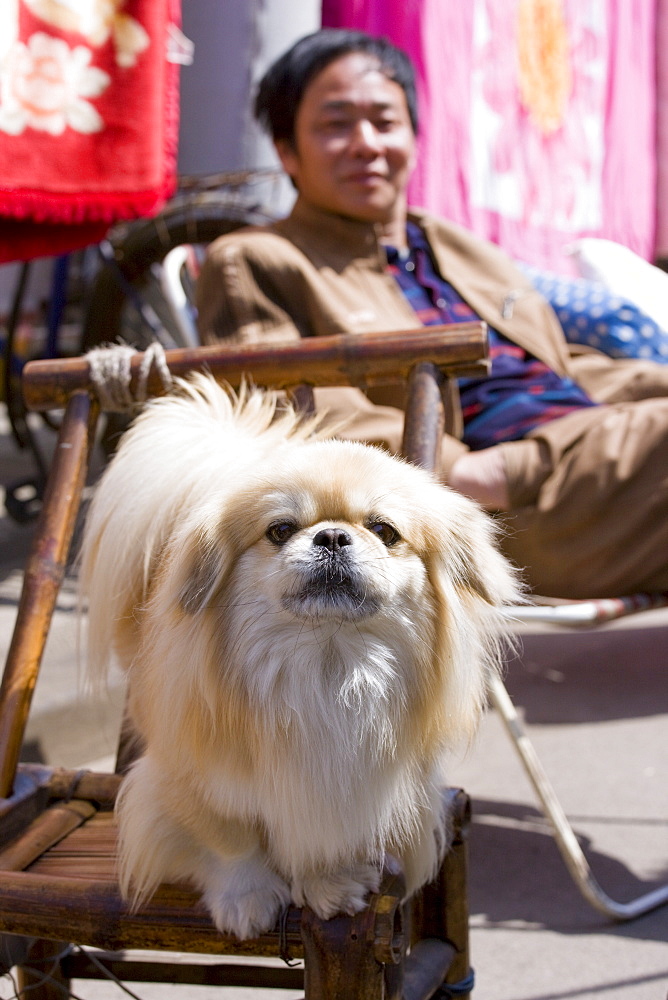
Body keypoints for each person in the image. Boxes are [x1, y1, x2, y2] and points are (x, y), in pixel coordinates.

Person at [196, 28, 668, 599]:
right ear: (286, 149)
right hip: (502, 509)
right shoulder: (256, 260)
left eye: (385, 121)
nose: (366, 143)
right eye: (335, 124)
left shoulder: (457, 244)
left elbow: (555, 367)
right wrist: (470, 472)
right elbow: (290, 417)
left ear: (415, 137)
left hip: (608, 459)